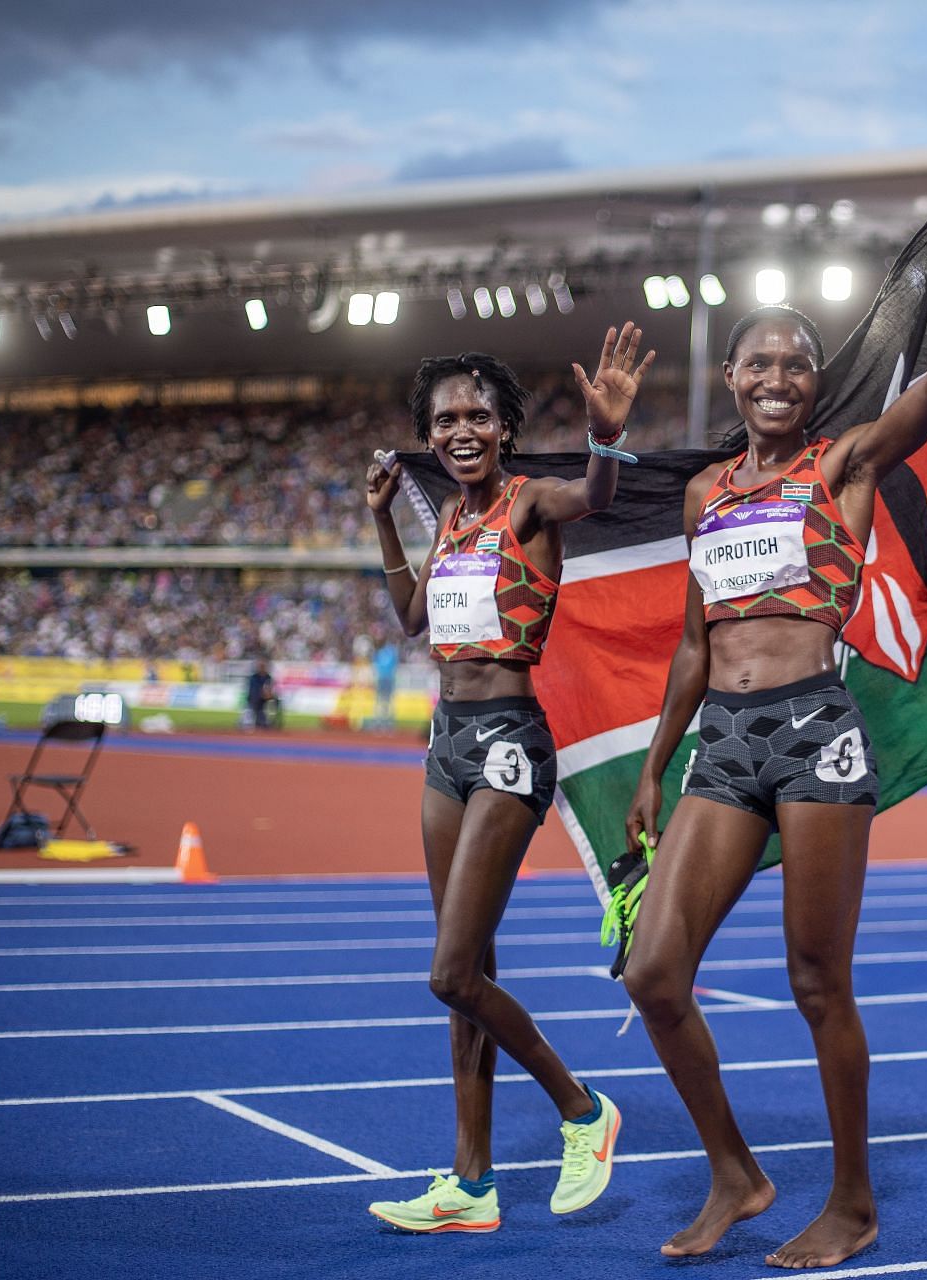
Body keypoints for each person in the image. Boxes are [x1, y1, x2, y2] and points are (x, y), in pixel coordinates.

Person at [621, 164, 927, 1270]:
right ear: (732, 375)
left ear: (812, 383)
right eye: (760, 360)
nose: (779, 375)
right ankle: (738, 1173)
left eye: (797, 361)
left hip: (814, 732)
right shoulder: (707, 493)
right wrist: (657, 765)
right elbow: (695, 642)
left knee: (816, 980)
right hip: (721, 746)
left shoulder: (841, 463)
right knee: (655, 971)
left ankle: (852, 1198)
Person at [361, 324, 653, 1235]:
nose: (461, 428)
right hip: (446, 746)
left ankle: (581, 1110)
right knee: (473, 969)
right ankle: (471, 1183)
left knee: (450, 973)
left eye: (478, 414)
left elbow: (597, 495)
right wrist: (381, 518)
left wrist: (606, 434)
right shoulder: (448, 520)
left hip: (508, 747)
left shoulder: (530, 504)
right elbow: (412, 617)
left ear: (503, 428)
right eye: (445, 417)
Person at [371, 639, 399, 732]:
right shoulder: (388, 652)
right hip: (385, 679)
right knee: (384, 702)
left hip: (385, 679)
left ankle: (385, 723)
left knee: (384, 702)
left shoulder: (383, 652)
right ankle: (382, 723)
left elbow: (376, 667)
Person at [244, 659, 280, 730]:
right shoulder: (254, 678)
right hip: (254, 701)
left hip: (263, 701)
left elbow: (269, 690)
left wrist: (270, 695)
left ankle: (273, 720)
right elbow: (254, 692)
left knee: (276, 700)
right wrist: (265, 694)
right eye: (261, 666)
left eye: (264, 666)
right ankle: (254, 720)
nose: (262, 668)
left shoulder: (268, 677)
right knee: (249, 724)